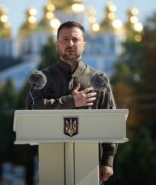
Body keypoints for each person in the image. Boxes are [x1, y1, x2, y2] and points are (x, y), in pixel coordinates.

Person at [26, 20, 117, 182]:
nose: (70, 43)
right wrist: (70, 102)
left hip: (89, 162)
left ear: (84, 44)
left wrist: (107, 161)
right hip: (51, 160)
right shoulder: (42, 78)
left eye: (75, 39)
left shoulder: (98, 80)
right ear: (57, 44)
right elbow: (33, 109)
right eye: (65, 39)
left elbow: (110, 121)